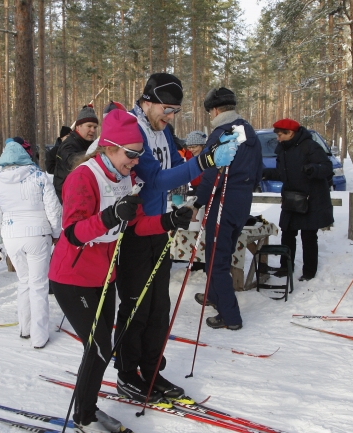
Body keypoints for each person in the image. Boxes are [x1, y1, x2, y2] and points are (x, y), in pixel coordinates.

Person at [48, 110, 191, 433]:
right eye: (131, 154)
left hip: (103, 275)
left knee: (102, 346)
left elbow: (136, 223)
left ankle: (90, 409)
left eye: (140, 154)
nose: (136, 161)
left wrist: (167, 221)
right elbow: (72, 233)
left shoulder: (125, 176)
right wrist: (111, 215)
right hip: (73, 277)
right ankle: (85, 417)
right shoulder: (83, 177)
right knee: (98, 346)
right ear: (109, 147)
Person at [114, 73, 235, 402]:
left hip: (159, 225)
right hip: (134, 229)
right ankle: (126, 374)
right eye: (166, 109)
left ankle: (152, 370)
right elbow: (155, 179)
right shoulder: (132, 127)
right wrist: (206, 161)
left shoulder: (162, 130)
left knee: (159, 307)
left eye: (175, 112)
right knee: (136, 306)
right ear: (148, 100)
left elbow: (175, 167)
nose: (170, 118)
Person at [193, 87, 262, 331]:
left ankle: (230, 315)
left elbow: (211, 171)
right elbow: (258, 169)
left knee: (216, 259)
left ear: (215, 110)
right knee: (222, 249)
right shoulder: (248, 131)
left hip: (223, 199)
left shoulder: (222, 133)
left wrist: (199, 202)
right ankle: (214, 295)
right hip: (241, 201)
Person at [0, 141, 61, 349]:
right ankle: (39, 336)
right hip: (38, 234)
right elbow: (53, 208)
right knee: (38, 285)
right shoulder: (38, 176)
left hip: (11, 237)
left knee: (23, 281)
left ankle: (25, 328)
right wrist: (57, 232)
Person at [261, 118, 334, 281]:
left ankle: (309, 271)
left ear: (291, 133)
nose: (278, 138)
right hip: (291, 198)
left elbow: (327, 168)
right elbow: (282, 173)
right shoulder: (282, 149)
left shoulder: (310, 146)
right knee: (287, 234)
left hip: (311, 199)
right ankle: (285, 267)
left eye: (281, 135)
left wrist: (313, 169)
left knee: (308, 236)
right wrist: (265, 173)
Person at [53, 105, 99, 203]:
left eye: (95, 127)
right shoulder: (68, 144)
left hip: (82, 190)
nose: (93, 130)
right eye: (89, 126)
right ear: (78, 126)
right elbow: (73, 162)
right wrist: (95, 153)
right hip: (68, 196)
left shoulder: (89, 143)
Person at [183, 130, 207, 195]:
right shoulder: (188, 154)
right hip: (194, 186)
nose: (191, 150)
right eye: (189, 147)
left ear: (201, 145)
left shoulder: (207, 155)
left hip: (206, 187)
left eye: (194, 147)